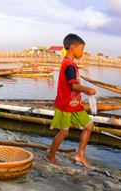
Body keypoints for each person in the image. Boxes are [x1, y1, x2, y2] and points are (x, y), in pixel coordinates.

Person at [45, 33, 95, 169]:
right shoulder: (69, 64)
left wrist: (83, 91)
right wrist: (88, 89)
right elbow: (73, 85)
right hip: (65, 104)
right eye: (81, 49)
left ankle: (80, 154)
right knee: (63, 132)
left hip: (75, 104)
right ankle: (51, 156)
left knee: (89, 126)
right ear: (73, 48)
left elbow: (73, 86)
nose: (82, 52)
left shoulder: (71, 64)